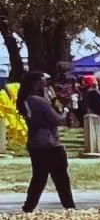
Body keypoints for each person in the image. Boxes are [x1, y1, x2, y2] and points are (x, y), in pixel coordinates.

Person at [18, 74, 75, 212]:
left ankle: (28, 207)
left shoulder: (24, 100)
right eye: (44, 81)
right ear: (36, 83)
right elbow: (57, 119)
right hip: (49, 143)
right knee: (61, 177)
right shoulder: (39, 101)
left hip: (34, 143)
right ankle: (69, 206)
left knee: (39, 177)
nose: (46, 83)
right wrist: (66, 111)